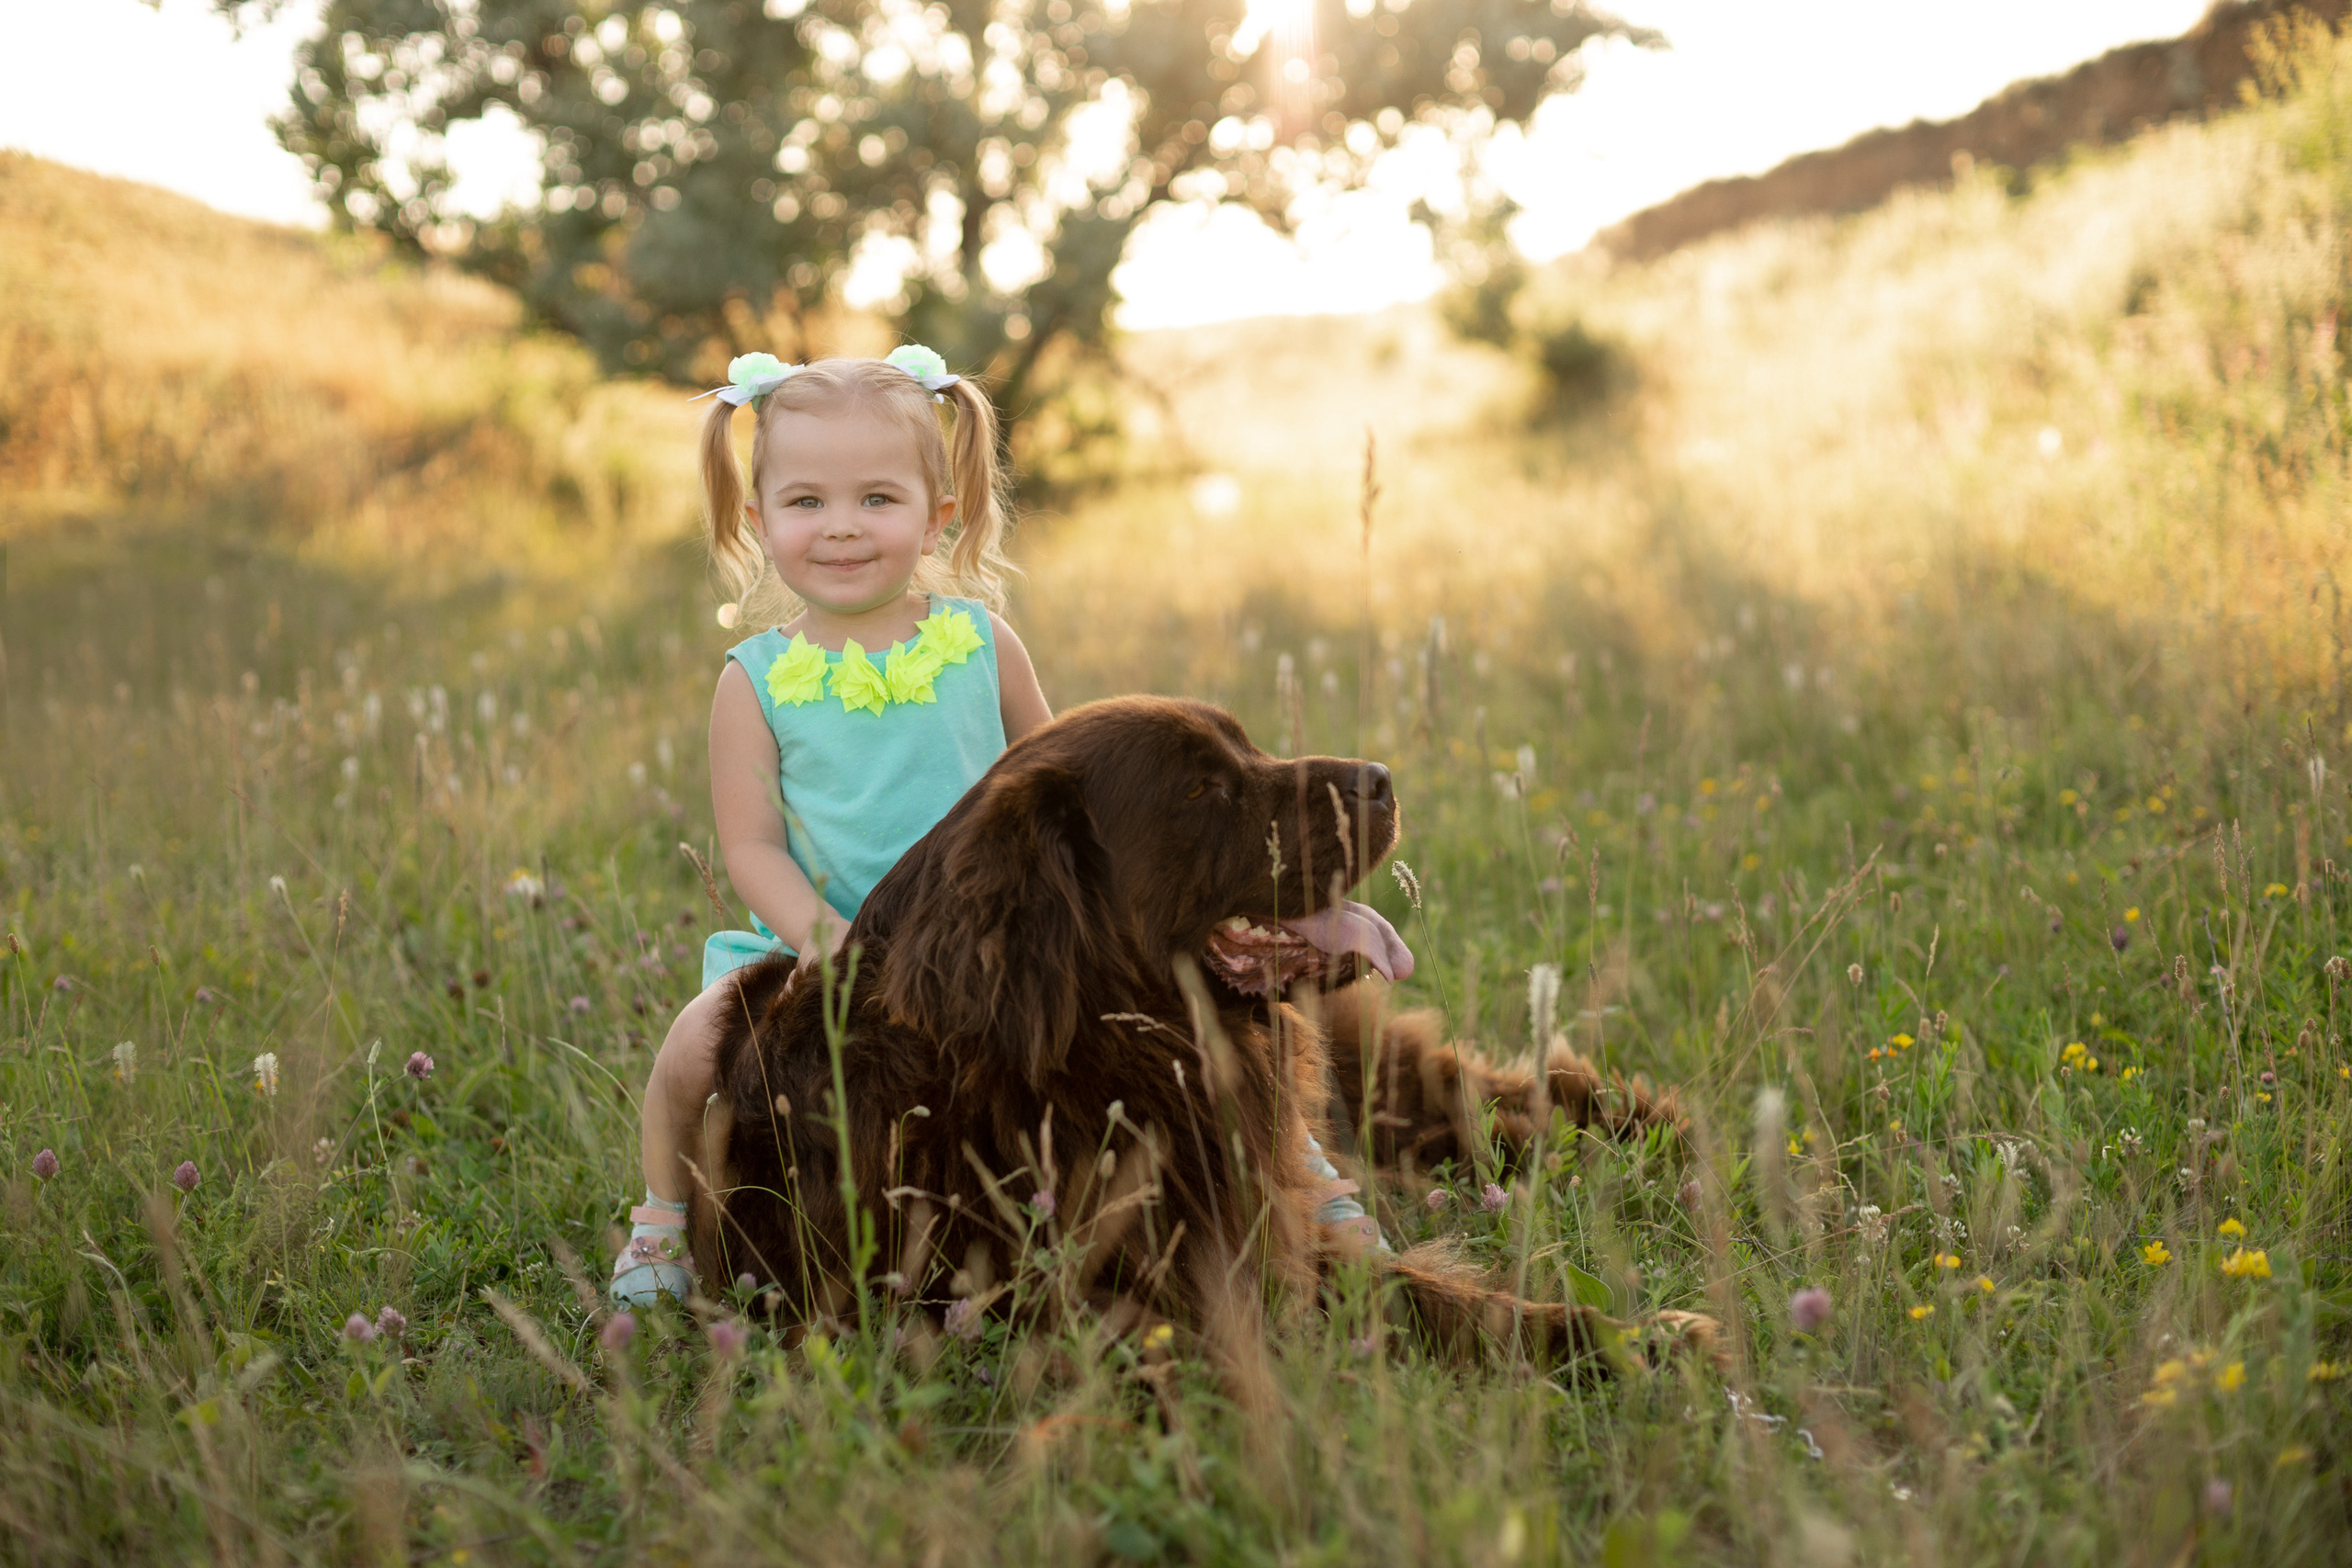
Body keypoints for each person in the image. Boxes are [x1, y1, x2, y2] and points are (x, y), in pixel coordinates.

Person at [612, 344, 1404, 1303]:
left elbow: (1055, 772)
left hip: (986, 938)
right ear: (758, 519)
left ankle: (1306, 1169)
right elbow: (751, 848)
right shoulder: (754, 681)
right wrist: (828, 940)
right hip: (824, 940)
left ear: (938, 512)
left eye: (877, 499)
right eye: (806, 503)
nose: (842, 530)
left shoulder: (980, 644)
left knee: (1213, 1032)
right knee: (694, 1045)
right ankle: (658, 1222)